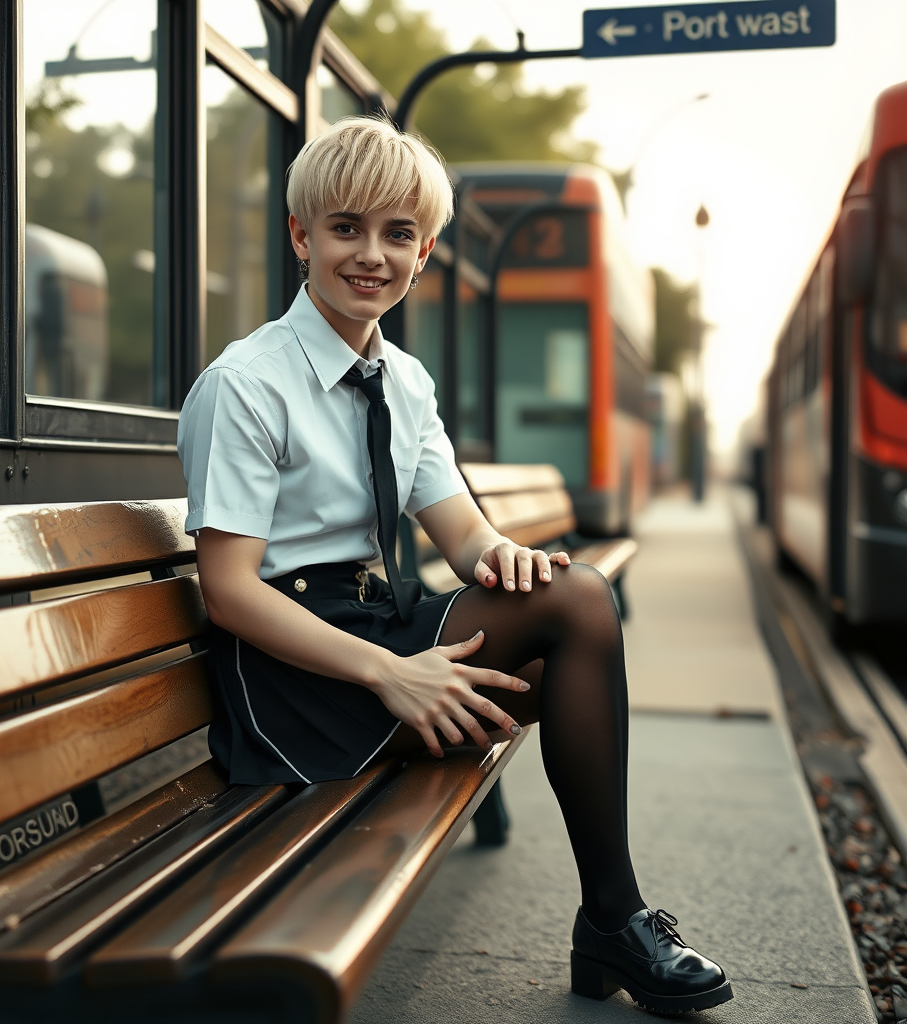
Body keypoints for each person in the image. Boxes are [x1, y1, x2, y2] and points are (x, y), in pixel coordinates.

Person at [178, 115, 732, 1016]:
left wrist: (504, 557)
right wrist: (393, 674)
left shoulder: (403, 379)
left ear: (425, 251)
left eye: (398, 234)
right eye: (347, 228)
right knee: (582, 611)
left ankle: (610, 918)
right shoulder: (247, 383)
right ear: (301, 237)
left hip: (373, 625)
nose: (371, 255)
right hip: (290, 675)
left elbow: (463, 536)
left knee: (565, 624)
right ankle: (614, 920)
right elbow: (230, 591)